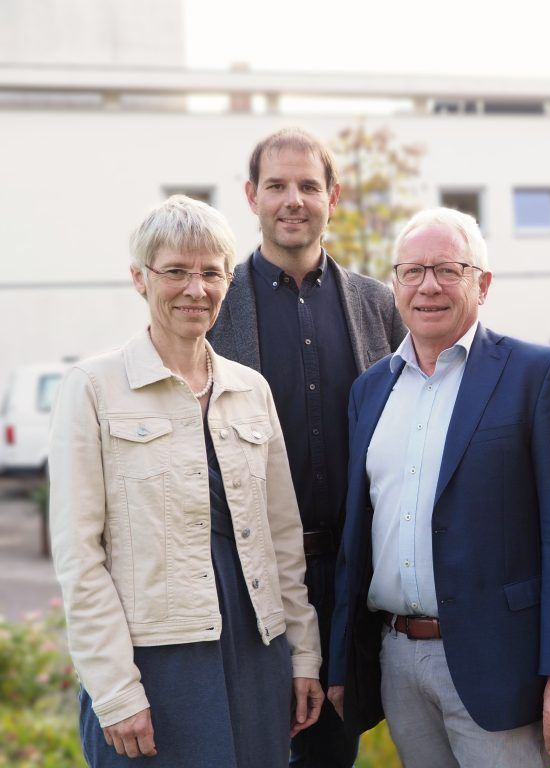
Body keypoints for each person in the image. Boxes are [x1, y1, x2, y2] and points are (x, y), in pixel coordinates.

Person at [49, 195, 322, 766]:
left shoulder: (251, 390)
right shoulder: (94, 388)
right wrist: (116, 689)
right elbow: (79, 554)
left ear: (227, 283)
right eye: (176, 271)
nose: (195, 289)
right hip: (153, 662)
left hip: (257, 647)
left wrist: (302, 656)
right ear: (140, 278)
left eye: (211, 274)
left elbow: (282, 540)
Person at [326, 208, 550, 767]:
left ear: (483, 284)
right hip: (398, 660)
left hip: (501, 661)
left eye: (448, 270)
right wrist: (340, 661)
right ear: (395, 285)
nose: (428, 286)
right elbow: (357, 538)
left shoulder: (537, 374)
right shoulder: (369, 390)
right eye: (412, 271)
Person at [208, 127, 404, 767]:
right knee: (251, 747)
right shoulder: (212, 307)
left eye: (308, 186)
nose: (293, 200)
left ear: (332, 197)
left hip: (349, 575)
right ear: (251, 196)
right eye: (276, 186)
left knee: (330, 752)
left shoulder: (379, 306)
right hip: (249, 576)